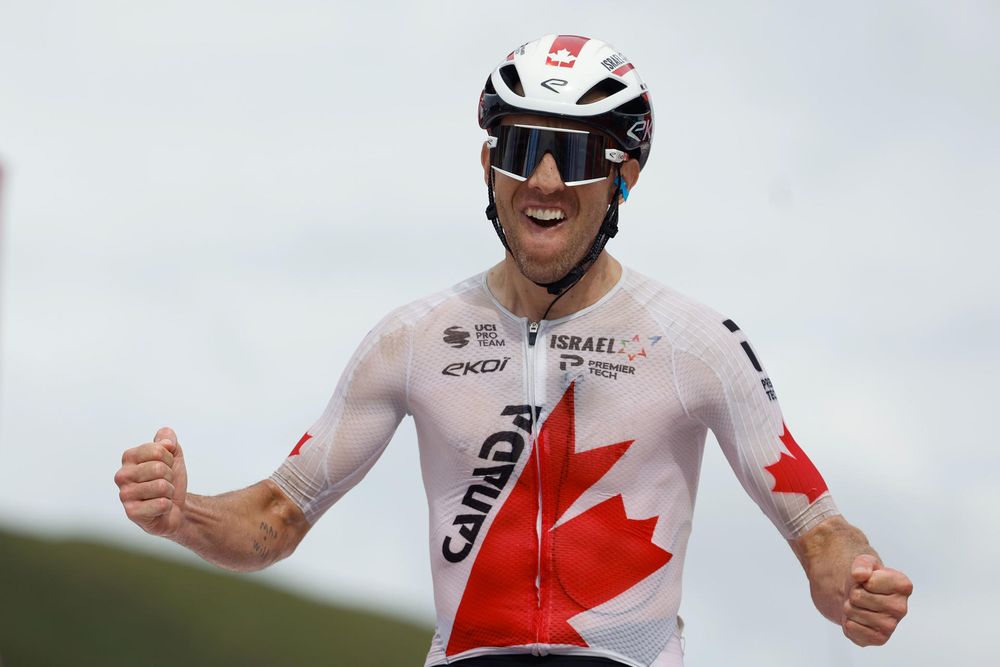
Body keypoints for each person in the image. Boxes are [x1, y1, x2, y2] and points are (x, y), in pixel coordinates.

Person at [114, 34, 912, 666]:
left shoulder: (694, 340)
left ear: (625, 173)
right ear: (488, 162)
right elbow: (278, 516)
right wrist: (183, 513)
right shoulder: (413, 338)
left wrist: (854, 584)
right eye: (524, 146)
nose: (546, 179)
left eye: (577, 152)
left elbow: (819, 528)